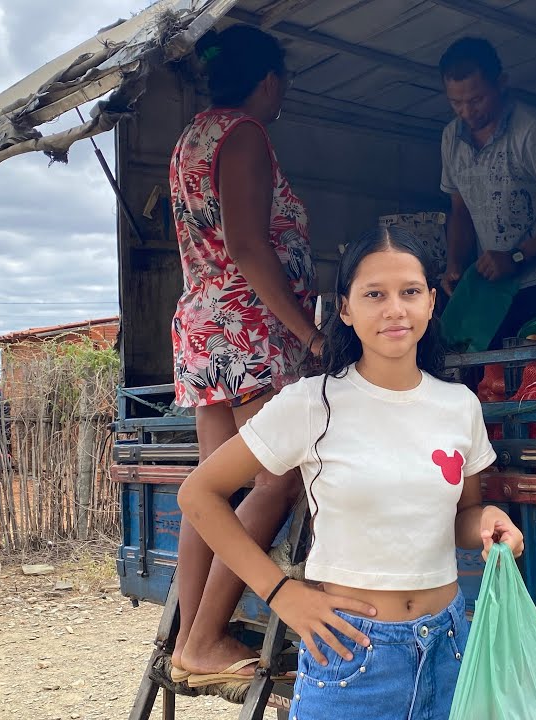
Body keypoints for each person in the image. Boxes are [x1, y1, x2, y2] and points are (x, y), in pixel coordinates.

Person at [176, 227, 525, 720]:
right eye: (374, 294)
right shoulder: (312, 403)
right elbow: (199, 495)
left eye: (409, 292)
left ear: (430, 302)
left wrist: (491, 521)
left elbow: (460, 520)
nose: (394, 309)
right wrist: (280, 592)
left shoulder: (459, 406)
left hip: (449, 650)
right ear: (345, 309)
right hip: (352, 658)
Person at [166, 24, 322, 691]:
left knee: (213, 486)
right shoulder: (245, 135)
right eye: (281, 82)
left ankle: (184, 637)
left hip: (205, 328)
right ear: (268, 81)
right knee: (275, 479)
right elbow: (250, 247)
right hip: (249, 332)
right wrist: (311, 336)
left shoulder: (190, 138)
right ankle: (204, 640)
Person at [438, 37, 536, 348]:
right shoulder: (450, 138)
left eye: (477, 99)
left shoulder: (532, 130)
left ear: (501, 84)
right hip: (492, 293)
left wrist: (517, 255)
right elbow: (460, 210)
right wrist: (454, 263)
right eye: (456, 103)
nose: (467, 112)